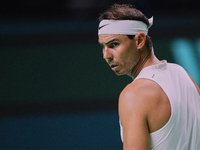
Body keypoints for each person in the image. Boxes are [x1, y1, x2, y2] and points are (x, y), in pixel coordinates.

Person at [98, 4, 200, 150]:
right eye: (103, 46)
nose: (106, 55)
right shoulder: (182, 74)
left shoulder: (133, 95)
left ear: (139, 40)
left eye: (114, 44)